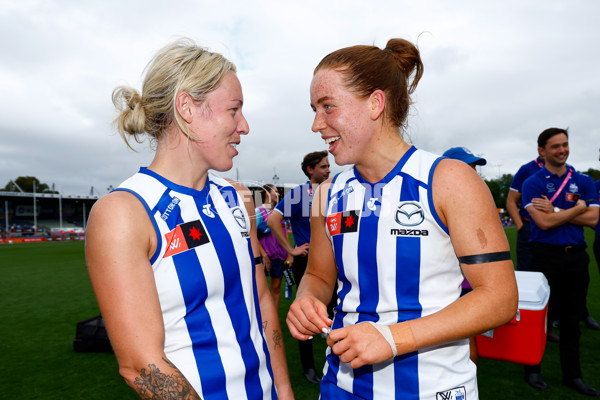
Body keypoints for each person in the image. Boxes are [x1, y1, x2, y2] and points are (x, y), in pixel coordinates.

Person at [286, 38, 518, 399]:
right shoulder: (327, 194)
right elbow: (318, 275)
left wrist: (393, 338)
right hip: (342, 386)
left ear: (375, 103)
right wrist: (306, 299)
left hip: (433, 388)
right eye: (314, 109)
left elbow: (499, 298)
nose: (317, 124)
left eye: (328, 106)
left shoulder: (448, 179)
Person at [85, 38, 293, 400]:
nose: (244, 126)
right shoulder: (125, 212)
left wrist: (285, 390)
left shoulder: (237, 197)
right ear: (187, 107)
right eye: (234, 110)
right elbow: (141, 365)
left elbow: (261, 301)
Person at [521, 128, 599, 396]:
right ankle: (532, 369)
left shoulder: (584, 180)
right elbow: (541, 223)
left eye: (565, 145)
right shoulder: (532, 182)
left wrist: (556, 210)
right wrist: (578, 208)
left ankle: (573, 375)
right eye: (555, 146)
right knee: (540, 318)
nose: (562, 150)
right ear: (542, 151)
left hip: (576, 256)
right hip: (545, 255)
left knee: (572, 319)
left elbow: (593, 220)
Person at [267, 151, 330, 384]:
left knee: (334, 311)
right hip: (308, 261)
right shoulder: (298, 194)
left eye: (328, 166)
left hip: (333, 261)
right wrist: (291, 250)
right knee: (306, 313)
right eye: (323, 167)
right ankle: (308, 368)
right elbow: (272, 220)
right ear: (310, 170)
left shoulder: (333, 191)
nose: (328, 170)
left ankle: (335, 360)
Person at [506, 154, 545, 271]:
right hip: (529, 226)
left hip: (553, 227)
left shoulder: (564, 170)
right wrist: (521, 227)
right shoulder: (527, 169)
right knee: (526, 271)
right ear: (541, 149)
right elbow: (511, 201)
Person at [256, 184, 288, 310]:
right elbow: (252, 236)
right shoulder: (258, 212)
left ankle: (274, 319)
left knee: (276, 288)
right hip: (263, 258)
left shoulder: (278, 213)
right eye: (276, 191)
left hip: (279, 257)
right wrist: (263, 256)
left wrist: (289, 254)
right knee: (260, 290)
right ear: (268, 194)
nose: (279, 194)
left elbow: (284, 234)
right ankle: (261, 319)